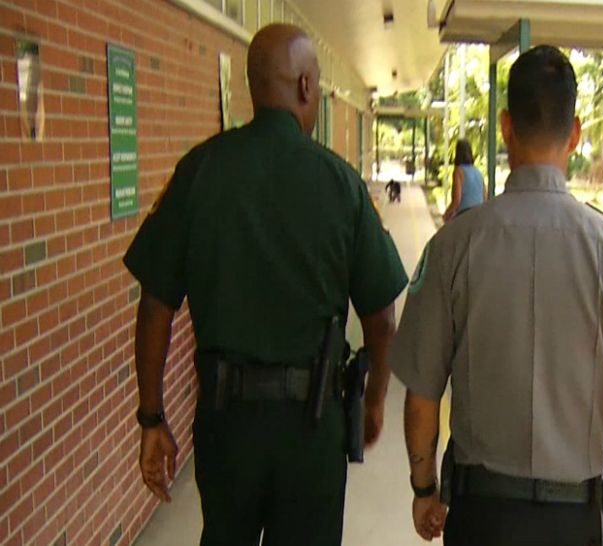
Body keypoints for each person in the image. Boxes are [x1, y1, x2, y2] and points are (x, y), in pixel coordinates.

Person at [389, 46, 603, 546]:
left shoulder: (451, 248)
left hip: (480, 518)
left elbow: (422, 395)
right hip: (571, 523)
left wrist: (424, 487)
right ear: (575, 134)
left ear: (505, 127)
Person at [124, 24, 408, 545]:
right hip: (311, 427)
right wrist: (372, 398)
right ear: (304, 87)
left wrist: (151, 416)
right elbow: (383, 317)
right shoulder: (339, 183)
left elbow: (155, 304)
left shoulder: (199, 171)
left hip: (225, 425)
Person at [442, 139, 485, 221]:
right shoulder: (478, 172)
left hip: (464, 216)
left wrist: (446, 215)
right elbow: (485, 197)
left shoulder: (458, 171)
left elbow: (457, 200)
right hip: (479, 216)